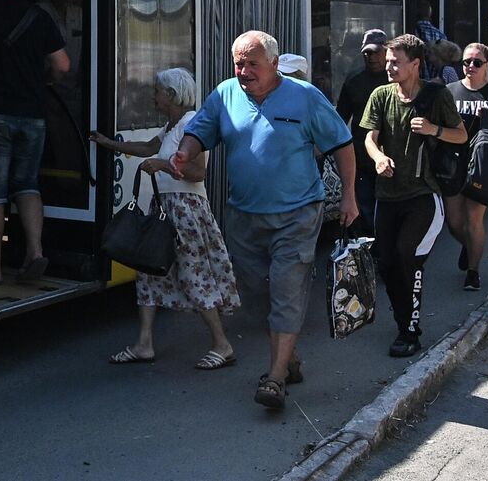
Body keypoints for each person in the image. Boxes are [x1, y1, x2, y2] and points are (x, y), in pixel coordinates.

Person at [169, 31, 356, 411]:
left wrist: (350, 196)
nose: (244, 71)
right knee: (256, 295)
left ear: (273, 63)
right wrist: (184, 154)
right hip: (244, 215)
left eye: (252, 63)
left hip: (298, 213)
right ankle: (290, 357)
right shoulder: (225, 94)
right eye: (238, 63)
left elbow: (342, 143)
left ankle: (274, 378)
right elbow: (199, 132)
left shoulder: (305, 96)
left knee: (287, 288)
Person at [93, 68, 239, 369]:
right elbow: (148, 147)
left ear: (171, 95)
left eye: (158, 91)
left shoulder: (193, 124)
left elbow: (198, 172)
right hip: (167, 206)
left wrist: (161, 165)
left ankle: (222, 345)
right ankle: (144, 344)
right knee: (147, 274)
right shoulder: (173, 126)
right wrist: (108, 144)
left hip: (186, 210)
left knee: (193, 275)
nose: (153, 97)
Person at [362, 34, 465, 357]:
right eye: (388, 61)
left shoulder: (436, 95)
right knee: (388, 262)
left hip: (423, 193)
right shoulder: (381, 95)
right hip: (387, 195)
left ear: (415, 64)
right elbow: (369, 137)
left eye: (395, 61)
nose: (389, 66)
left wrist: (434, 129)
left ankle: (410, 330)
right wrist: (378, 157)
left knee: (408, 256)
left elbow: (461, 135)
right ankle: (401, 320)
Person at [0, 0, 68, 284]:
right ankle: (35, 252)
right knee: (28, 184)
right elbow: (62, 65)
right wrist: (44, 81)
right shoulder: (38, 16)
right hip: (33, 114)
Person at [444, 43, 488, 291]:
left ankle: (473, 271)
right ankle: (470, 246)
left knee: (474, 218)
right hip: (454, 162)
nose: (470, 66)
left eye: (476, 62)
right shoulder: (450, 91)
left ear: (487, 65)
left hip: (484, 164)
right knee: (453, 221)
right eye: (466, 62)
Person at [336, 30, 389, 235]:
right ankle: (371, 249)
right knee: (365, 206)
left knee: (388, 207)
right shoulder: (354, 80)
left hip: (392, 154)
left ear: (386, 51)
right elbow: (341, 117)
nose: (371, 57)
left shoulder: (396, 77)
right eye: (367, 53)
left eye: (376, 52)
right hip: (361, 154)